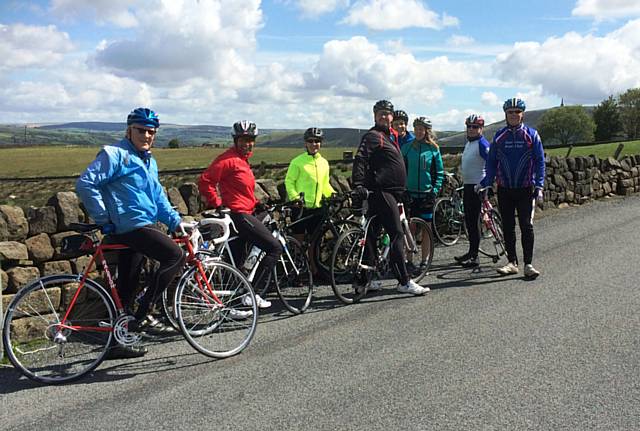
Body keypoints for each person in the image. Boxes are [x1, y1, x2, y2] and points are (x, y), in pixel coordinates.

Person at [76, 107, 185, 359]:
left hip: (140, 226)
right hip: (130, 226)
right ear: (129, 130)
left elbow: (157, 197)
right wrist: (104, 218)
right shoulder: (115, 155)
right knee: (175, 256)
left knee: (127, 286)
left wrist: (175, 221)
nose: (146, 136)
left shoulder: (148, 160)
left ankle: (117, 342)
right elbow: (85, 183)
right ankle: (144, 314)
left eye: (151, 132)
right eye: (141, 130)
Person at [199, 120, 280, 308]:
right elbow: (205, 181)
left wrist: (257, 203)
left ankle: (233, 305)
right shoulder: (228, 159)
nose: (247, 143)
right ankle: (254, 293)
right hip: (239, 215)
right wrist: (217, 203)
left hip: (245, 211)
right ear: (235, 140)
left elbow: (242, 190)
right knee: (274, 247)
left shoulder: (243, 161)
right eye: (243, 139)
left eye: (250, 139)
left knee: (236, 262)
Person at [351, 100, 429, 295]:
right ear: (375, 116)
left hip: (392, 192)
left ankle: (364, 280)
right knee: (396, 235)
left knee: (372, 235)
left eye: (388, 113)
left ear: (392, 117)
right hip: (382, 192)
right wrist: (358, 184)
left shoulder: (389, 136)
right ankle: (404, 281)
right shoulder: (373, 136)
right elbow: (360, 159)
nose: (385, 117)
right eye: (381, 114)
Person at [479, 98, 545, 278]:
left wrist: (539, 185)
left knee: (526, 226)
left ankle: (528, 264)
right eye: (510, 112)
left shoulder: (532, 135)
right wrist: (486, 183)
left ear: (522, 114)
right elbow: (492, 163)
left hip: (526, 189)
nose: (514, 115)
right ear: (505, 114)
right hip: (505, 189)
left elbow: (540, 162)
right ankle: (512, 262)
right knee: (507, 227)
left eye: (517, 111)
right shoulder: (499, 136)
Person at [401, 116, 444, 272]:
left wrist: (435, 190)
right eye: (416, 129)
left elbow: (439, 173)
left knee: (426, 228)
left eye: (421, 129)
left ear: (427, 131)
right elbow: (401, 170)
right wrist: (403, 189)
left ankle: (425, 260)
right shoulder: (406, 147)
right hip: (410, 194)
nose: (418, 132)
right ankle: (409, 260)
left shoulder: (433, 149)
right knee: (409, 228)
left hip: (426, 195)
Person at [284, 127, 335, 247]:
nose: (314, 144)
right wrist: (294, 197)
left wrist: (333, 193)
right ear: (305, 143)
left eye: (317, 141)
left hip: (317, 209)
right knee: (298, 242)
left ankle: (313, 266)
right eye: (310, 141)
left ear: (321, 143)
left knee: (316, 243)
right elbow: (289, 181)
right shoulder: (297, 162)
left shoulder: (324, 163)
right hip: (301, 208)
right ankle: (296, 264)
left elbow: (325, 184)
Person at [454, 114, 490, 268]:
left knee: (474, 222)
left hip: (478, 187)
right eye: (469, 126)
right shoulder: (469, 143)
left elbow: (492, 165)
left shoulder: (482, 144)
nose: (471, 129)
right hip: (469, 185)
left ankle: (475, 257)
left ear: (481, 129)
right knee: (469, 221)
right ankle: (471, 251)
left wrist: (484, 183)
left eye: (475, 127)